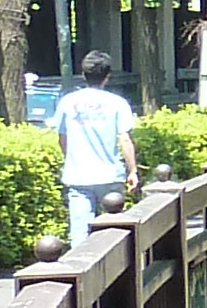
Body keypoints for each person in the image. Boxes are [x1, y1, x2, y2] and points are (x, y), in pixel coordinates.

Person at [51, 50, 140, 244]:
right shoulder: (118, 103)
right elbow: (124, 139)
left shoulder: (68, 101)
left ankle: (80, 270)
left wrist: (70, 159)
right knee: (115, 231)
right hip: (110, 175)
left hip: (77, 176)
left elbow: (62, 137)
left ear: (83, 75)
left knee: (80, 234)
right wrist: (132, 170)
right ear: (107, 77)